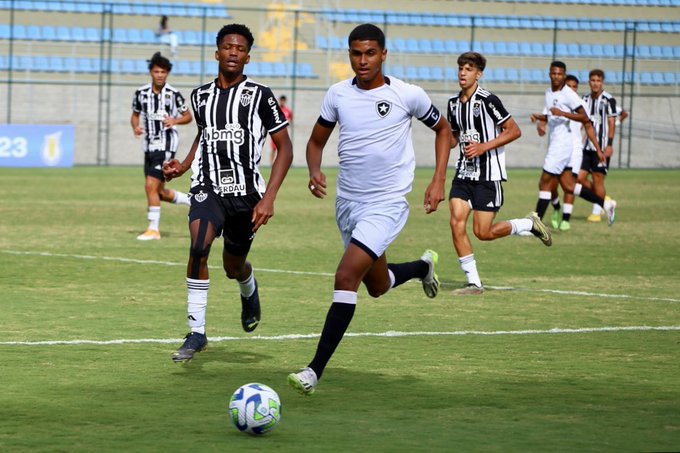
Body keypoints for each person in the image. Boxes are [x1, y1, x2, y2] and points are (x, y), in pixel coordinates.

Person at [287, 23, 450, 394]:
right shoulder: (337, 94)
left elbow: (444, 131)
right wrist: (314, 169)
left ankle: (314, 370)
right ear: (349, 54)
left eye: (370, 53)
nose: (362, 61)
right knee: (376, 286)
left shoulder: (407, 95)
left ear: (383, 54)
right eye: (356, 54)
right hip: (348, 204)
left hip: (387, 204)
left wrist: (438, 179)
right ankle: (423, 266)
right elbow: (315, 142)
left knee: (346, 278)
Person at [162, 24, 293, 362]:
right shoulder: (200, 96)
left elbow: (285, 147)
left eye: (240, 48)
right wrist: (186, 165)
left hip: (247, 195)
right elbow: (204, 134)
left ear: (248, 57)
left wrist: (269, 197)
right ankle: (196, 332)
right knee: (198, 245)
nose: (233, 52)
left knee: (233, 265)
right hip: (208, 188)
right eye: (228, 46)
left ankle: (248, 287)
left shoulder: (260, 95)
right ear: (216, 52)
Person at [447, 52, 550, 296]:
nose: (463, 73)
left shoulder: (488, 100)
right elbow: (452, 137)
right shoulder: (453, 104)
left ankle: (527, 224)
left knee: (482, 232)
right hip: (463, 174)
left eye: (469, 69)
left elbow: (513, 131)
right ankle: (474, 283)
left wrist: (483, 146)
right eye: (461, 68)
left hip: (488, 176)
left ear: (478, 74)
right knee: (455, 222)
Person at [529, 61, 616, 227]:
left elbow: (585, 118)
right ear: (549, 74)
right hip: (561, 144)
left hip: (563, 146)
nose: (556, 77)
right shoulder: (549, 93)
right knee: (569, 185)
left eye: (559, 74)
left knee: (544, 183)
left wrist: (599, 149)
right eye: (553, 73)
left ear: (564, 74)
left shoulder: (568, 94)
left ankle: (536, 226)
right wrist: (540, 118)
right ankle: (605, 204)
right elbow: (553, 116)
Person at [131, 52, 193, 241]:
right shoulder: (141, 94)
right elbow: (135, 115)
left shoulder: (173, 95)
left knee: (150, 186)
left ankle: (153, 229)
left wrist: (175, 120)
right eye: (157, 71)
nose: (160, 75)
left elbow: (188, 116)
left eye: (163, 72)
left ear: (167, 74)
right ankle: (191, 201)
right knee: (157, 191)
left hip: (166, 145)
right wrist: (136, 127)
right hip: (149, 146)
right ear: (151, 72)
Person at [542, 74, 601, 231]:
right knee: (552, 185)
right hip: (557, 147)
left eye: (575, 86)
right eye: (569, 86)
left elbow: (587, 125)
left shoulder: (579, 104)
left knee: (568, 185)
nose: (572, 89)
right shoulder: (555, 98)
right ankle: (556, 207)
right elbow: (545, 116)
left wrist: (597, 148)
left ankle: (565, 218)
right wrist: (541, 124)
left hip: (574, 150)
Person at [580, 69, 618, 223]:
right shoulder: (584, 99)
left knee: (597, 179)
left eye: (598, 80)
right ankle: (605, 200)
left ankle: (597, 211)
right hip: (585, 147)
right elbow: (581, 122)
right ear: (589, 82)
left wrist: (609, 145)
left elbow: (611, 122)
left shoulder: (609, 100)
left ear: (602, 82)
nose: (595, 83)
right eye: (593, 80)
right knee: (578, 179)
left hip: (601, 148)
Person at [269, 95, 293, 165]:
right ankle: (271, 163)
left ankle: (282, 163)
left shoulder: (287, 111)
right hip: (275, 132)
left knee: (283, 149)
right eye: (281, 100)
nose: (282, 102)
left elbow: (290, 118)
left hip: (284, 133)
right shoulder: (276, 109)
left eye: (283, 100)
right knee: (273, 149)